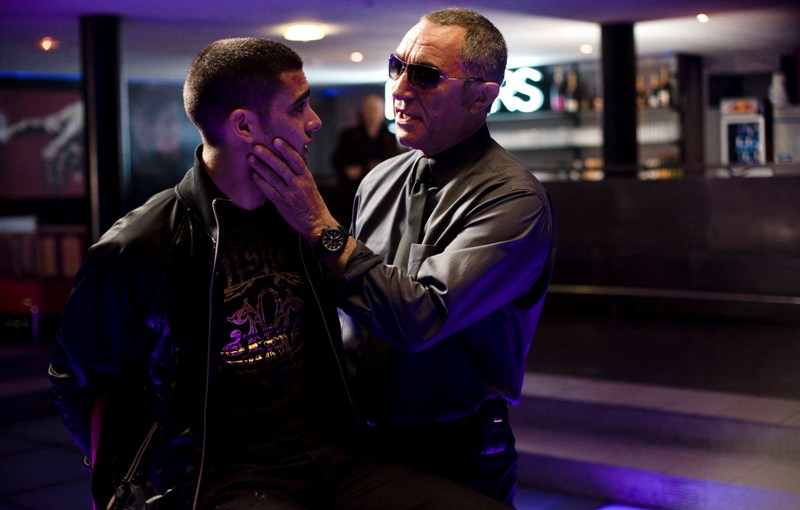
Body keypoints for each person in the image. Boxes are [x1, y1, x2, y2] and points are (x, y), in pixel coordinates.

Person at [48, 37, 511, 510]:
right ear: (244, 126)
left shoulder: (299, 218)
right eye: (298, 107)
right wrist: (124, 483)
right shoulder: (140, 244)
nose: (315, 121)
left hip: (330, 458)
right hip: (217, 477)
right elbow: (73, 379)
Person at [248, 8, 556, 507]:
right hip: (355, 437)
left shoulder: (513, 199)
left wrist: (321, 227)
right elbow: (346, 300)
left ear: (481, 97)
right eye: (397, 66)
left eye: (425, 75)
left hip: (452, 449)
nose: (400, 87)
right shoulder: (381, 179)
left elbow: (419, 317)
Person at [326, 94, 401, 225]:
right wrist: (347, 169)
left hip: (380, 190)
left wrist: (380, 166)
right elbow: (336, 159)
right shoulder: (349, 135)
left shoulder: (389, 137)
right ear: (363, 112)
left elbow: (395, 162)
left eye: (376, 110)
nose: (373, 114)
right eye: (370, 110)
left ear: (382, 113)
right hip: (351, 191)